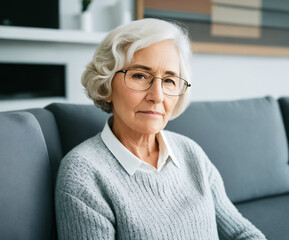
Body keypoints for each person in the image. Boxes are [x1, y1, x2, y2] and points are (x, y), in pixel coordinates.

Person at [55, 18, 267, 240]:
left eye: (169, 80)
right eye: (139, 75)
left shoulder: (190, 152)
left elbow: (241, 232)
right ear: (106, 84)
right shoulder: (82, 174)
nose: (157, 96)